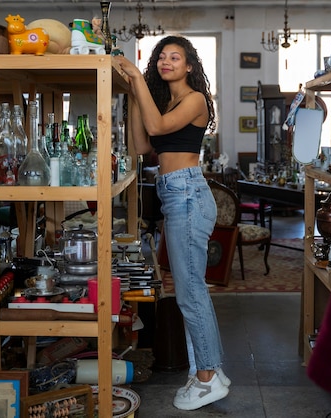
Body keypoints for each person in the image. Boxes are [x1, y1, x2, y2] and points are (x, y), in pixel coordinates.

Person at [114, 36, 230, 411]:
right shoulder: (163, 101)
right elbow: (141, 147)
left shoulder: (195, 99)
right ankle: (212, 371)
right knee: (192, 291)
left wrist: (134, 75)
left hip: (188, 195)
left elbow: (159, 127)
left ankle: (208, 377)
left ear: (189, 66)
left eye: (174, 57)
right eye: (161, 57)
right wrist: (134, 91)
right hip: (173, 194)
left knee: (189, 293)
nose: (166, 62)